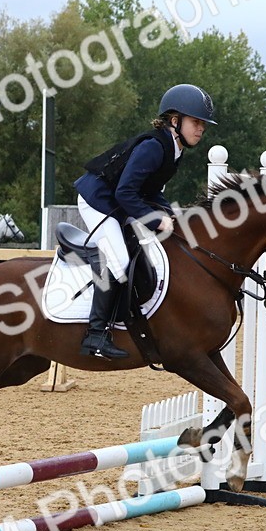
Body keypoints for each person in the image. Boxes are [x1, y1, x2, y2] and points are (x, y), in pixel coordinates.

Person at [72, 83, 215, 359]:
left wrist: (172, 214)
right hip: (98, 201)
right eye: (196, 122)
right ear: (175, 121)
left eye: (203, 125)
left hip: (116, 201)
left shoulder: (174, 149)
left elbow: (148, 192)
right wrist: (155, 220)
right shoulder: (154, 147)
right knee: (120, 261)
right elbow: (126, 192)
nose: (201, 129)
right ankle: (96, 334)